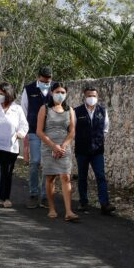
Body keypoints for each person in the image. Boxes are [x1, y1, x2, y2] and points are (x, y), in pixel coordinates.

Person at [36, 82, 79, 222]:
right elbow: (39, 131)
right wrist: (53, 146)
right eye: (57, 92)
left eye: (62, 92)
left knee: (66, 177)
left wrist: (63, 146)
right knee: (50, 178)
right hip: (49, 147)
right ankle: (52, 208)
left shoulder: (70, 110)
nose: (60, 95)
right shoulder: (45, 109)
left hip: (64, 147)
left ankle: (68, 211)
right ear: (51, 92)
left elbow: (72, 131)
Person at [74, 86, 116, 215]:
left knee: (101, 176)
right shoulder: (77, 111)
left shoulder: (102, 111)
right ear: (84, 97)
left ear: (97, 97)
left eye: (94, 96)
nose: (91, 98)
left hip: (97, 150)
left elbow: (105, 128)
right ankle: (83, 202)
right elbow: (73, 129)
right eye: (89, 96)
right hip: (81, 150)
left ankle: (104, 204)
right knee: (82, 177)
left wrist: (97, 141)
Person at [21, 66, 53, 209]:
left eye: (48, 80)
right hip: (34, 131)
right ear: (38, 77)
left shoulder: (55, 89)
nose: (46, 82)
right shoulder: (28, 89)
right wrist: (26, 133)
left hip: (50, 133)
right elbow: (24, 110)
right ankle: (34, 194)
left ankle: (46, 196)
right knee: (35, 162)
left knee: (48, 164)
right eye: (43, 80)